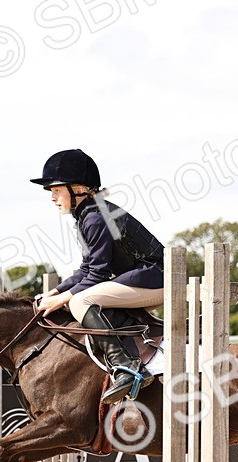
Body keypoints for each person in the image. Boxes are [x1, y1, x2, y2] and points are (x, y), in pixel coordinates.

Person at [32, 149, 165, 405]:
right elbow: (87, 268)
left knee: (81, 301)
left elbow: (97, 274)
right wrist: (54, 292)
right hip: (143, 279)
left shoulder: (94, 217)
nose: (52, 197)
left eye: (56, 190)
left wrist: (62, 299)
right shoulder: (87, 214)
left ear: (79, 189)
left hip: (156, 280)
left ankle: (128, 367)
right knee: (78, 298)